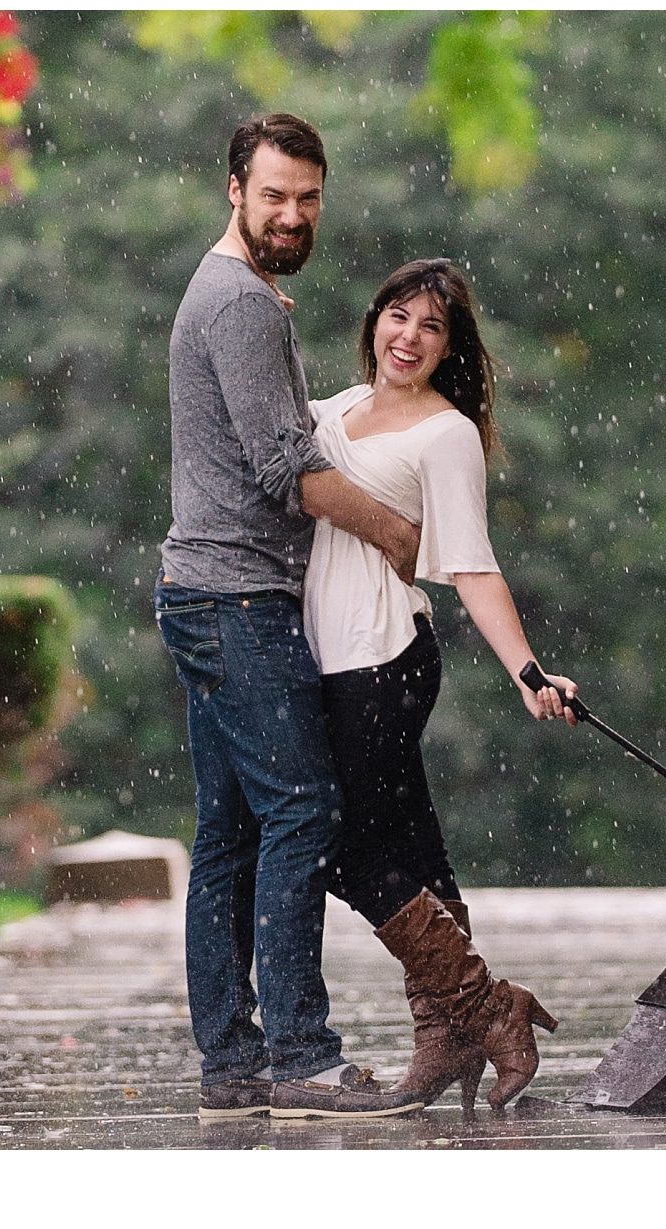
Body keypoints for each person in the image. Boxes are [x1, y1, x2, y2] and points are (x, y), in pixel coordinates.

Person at [156, 113, 426, 1120]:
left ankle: (231, 1067)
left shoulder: (241, 294)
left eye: (307, 198)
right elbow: (285, 466)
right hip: (235, 598)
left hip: (207, 592)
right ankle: (301, 1057)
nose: (291, 214)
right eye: (273, 195)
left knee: (230, 833)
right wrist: (395, 532)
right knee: (303, 808)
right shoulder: (240, 303)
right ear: (234, 189)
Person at [306, 258, 577, 1114]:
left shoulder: (447, 434)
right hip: (330, 658)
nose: (409, 336)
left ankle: (484, 1010)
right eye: (398, 315)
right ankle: (451, 1031)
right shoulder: (336, 409)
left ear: (450, 346)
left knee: (340, 845)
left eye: (431, 325)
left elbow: (471, 566)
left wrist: (528, 670)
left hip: (382, 656)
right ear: (374, 320)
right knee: (413, 847)